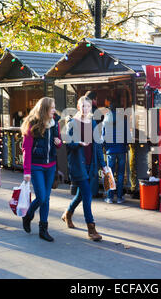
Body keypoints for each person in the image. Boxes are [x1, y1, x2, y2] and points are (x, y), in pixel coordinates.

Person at [61, 96, 109, 241]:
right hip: (77, 164)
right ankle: (91, 228)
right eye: (82, 106)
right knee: (87, 195)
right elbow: (67, 142)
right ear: (78, 107)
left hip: (91, 164)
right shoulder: (72, 122)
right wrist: (78, 143)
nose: (85, 109)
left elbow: (98, 146)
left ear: (90, 108)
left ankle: (68, 213)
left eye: (87, 106)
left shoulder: (93, 122)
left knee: (81, 195)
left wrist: (104, 165)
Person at [20, 97, 62, 242]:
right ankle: (29, 215)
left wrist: (59, 143)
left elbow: (58, 141)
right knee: (42, 197)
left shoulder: (55, 123)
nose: (54, 110)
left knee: (46, 199)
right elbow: (26, 148)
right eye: (52, 108)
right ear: (44, 109)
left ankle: (43, 229)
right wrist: (26, 172)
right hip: (36, 166)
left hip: (50, 165)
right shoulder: (33, 124)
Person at [102, 95, 128, 204]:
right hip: (121, 150)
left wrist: (104, 147)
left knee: (110, 174)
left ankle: (109, 197)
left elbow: (103, 136)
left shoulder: (106, 118)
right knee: (121, 174)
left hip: (110, 151)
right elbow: (127, 135)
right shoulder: (123, 119)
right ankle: (120, 198)